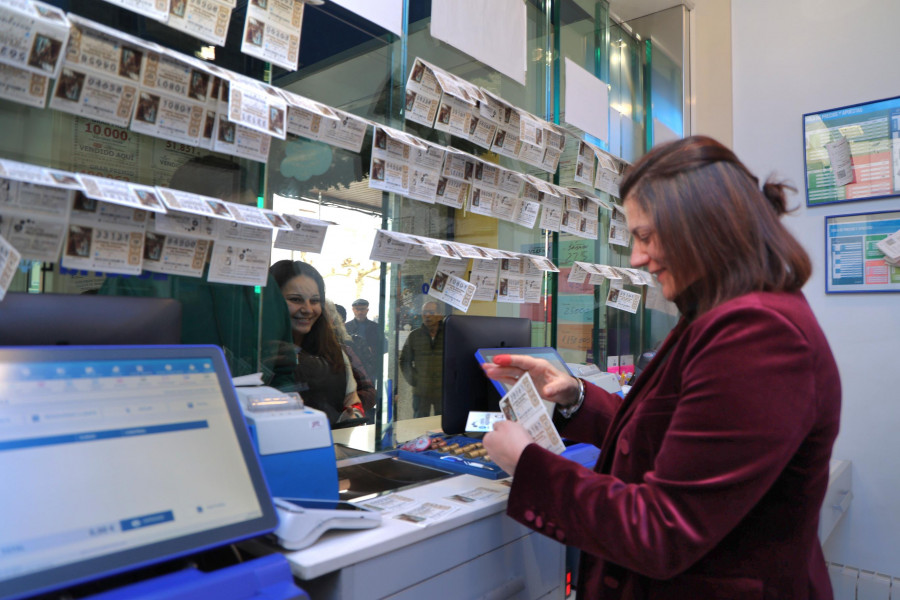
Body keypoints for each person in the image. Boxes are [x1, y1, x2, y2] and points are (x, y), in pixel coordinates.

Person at [481, 136, 841, 599]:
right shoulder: (720, 313)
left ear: (706, 226)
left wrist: (528, 463)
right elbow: (676, 437)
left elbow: (663, 529)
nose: (636, 258)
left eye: (646, 236)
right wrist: (575, 395)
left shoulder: (757, 332)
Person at [270, 260, 365, 427]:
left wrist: (352, 416)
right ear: (272, 300)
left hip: (330, 447)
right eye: (295, 299)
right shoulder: (259, 351)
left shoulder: (334, 351)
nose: (307, 309)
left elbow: (352, 400)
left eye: (314, 301)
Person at [325, 299, 376, 420]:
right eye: (358, 309)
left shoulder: (347, 347)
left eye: (362, 309)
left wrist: (353, 409)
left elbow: (367, 389)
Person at [399, 300, 444, 418]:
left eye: (431, 312)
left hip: (444, 391)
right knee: (418, 424)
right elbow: (404, 360)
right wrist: (414, 379)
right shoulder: (415, 335)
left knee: (444, 424)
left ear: (440, 315)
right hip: (421, 391)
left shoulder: (449, 334)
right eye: (424, 313)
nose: (427, 315)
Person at [345, 298, 384, 380]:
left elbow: (382, 346)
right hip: (352, 364)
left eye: (362, 309)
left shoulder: (375, 327)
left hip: (371, 365)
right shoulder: (346, 327)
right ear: (353, 310)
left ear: (367, 310)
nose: (360, 312)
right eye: (357, 309)